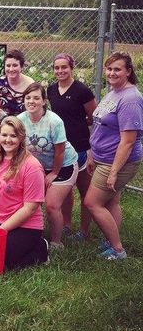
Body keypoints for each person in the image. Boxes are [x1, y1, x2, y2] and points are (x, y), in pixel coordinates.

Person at [84, 52, 143, 260]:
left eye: (117, 69)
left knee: (92, 203)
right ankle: (110, 242)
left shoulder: (130, 99)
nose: (111, 73)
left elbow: (128, 141)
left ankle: (118, 250)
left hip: (116, 161)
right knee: (111, 202)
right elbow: (100, 125)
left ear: (128, 72)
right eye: (109, 69)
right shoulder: (114, 92)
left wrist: (114, 172)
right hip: (102, 157)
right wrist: (92, 154)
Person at [0, 116, 48, 270]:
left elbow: (30, 208)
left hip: (24, 224)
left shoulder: (32, 166)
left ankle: (40, 249)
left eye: (13, 136)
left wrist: (0, 231)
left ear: (21, 138)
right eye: (4, 135)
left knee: (1, 259)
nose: (8, 140)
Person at [17, 83, 78, 249]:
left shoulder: (54, 121)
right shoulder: (20, 120)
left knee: (51, 205)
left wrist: (54, 173)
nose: (32, 101)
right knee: (30, 202)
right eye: (28, 98)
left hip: (63, 165)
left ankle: (56, 242)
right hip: (39, 167)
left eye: (36, 98)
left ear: (44, 101)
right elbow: (20, 147)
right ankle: (32, 231)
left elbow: (60, 151)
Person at [47, 53, 97, 240]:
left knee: (86, 191)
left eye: (64, 67)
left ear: (71, 68)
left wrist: (90, 150)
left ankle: (84, 231)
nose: (60, 71)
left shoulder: (82, 90)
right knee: (65, 188)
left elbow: (94, 118)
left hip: (80, 147)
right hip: (61, 147)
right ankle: (66, 224)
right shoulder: (51, 90)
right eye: (57, 68)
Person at [0, 49, 34, 116]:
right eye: (8, 65)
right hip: (3, 122)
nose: (11, 69)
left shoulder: (30, 84)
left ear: (21, 67)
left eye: (15, 65)